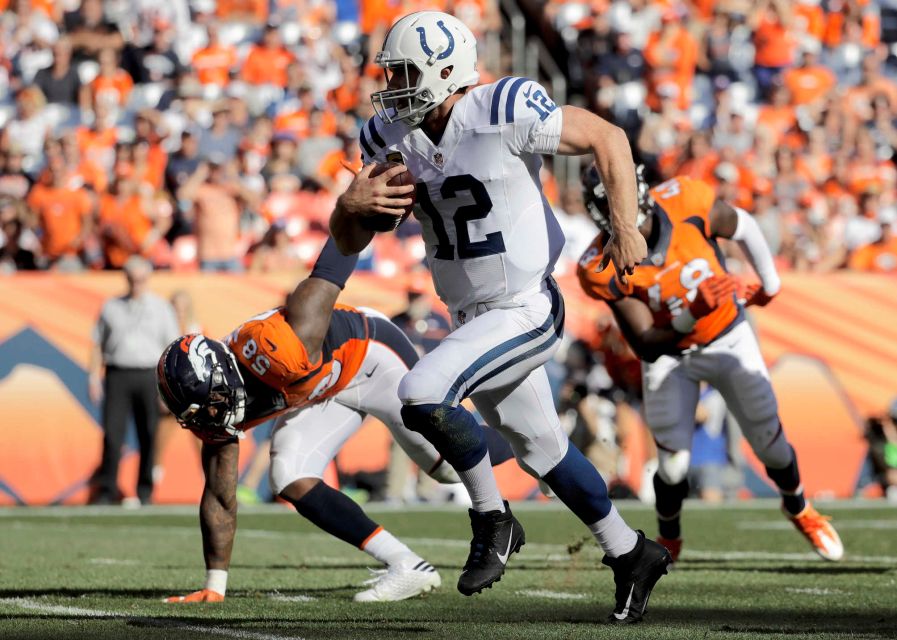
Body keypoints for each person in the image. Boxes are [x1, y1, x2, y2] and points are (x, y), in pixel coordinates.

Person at [329, 11, 666, 624]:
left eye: (406, 72)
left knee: (421, 391)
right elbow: (353, 237)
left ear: (445, 70)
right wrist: (348, 207)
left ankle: (491, 517)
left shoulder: (503, 106)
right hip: (469, 315)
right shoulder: (387, 136)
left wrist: (624, 226)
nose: (394, 84)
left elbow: (609, 138)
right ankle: (630, 551)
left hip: (525, 304)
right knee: (543, 448)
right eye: (393, 72)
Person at [157, 238, 461, 603]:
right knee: (289, 475)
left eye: (209, 403)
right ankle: (406, 564)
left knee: (449, 467)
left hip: (372, 358)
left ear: (220, 374)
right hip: (324, 390)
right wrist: (215, 585)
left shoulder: (278, 344)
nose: (210, 415)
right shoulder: (217, 404)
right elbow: (221, 497)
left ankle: (532, 447)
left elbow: (330, 272)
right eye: (198, 412)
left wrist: (359, 212)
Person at [576, 166, 844, 563]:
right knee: (672, 464)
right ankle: (670, 539)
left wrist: (770, 284)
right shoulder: (600, 265)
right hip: (671, 356)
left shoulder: (686, 201)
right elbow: (647, 344)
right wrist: (690, 314)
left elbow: (744, 224)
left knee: (770, 444)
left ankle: (799, 507)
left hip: (727, 336)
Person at [88, 256, 180, 505]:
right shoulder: (111, 306)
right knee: (112, 434)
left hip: (148, 374)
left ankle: (145, 491)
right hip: (118, 372)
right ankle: (107, 489)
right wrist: (93, 376)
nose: (136, 284)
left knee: (149, 433)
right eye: (132, 279)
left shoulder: (161, 308)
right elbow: (98, 344)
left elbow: (170, 348)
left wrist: (167, 387)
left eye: (140, 279)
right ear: (125, 278)